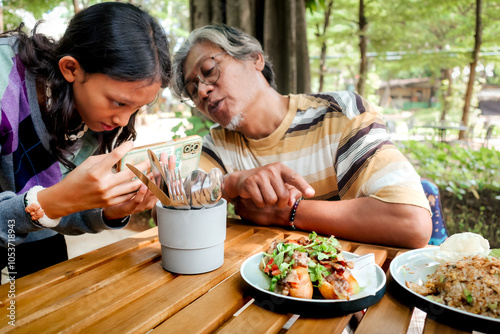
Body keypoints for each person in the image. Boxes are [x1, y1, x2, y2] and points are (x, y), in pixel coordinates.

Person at [171, 24, 432, 248]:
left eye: (208, 70)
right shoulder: (219, 144)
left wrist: (288, 212)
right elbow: (169, 205)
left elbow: (411, 222)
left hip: (351, 289)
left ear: (255, 59)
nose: (203, 92)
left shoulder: (338, 114)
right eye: (193, 90)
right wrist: (231, 184)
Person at [0, 2, 171, 278]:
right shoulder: (3, 81)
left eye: (136, 109)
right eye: (117, 102)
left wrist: (108, 211)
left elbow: (58, 208)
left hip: (31, 234)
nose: (123, 121)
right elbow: (49, 203)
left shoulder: (88, 117)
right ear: (71, 68)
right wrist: (47, 204)